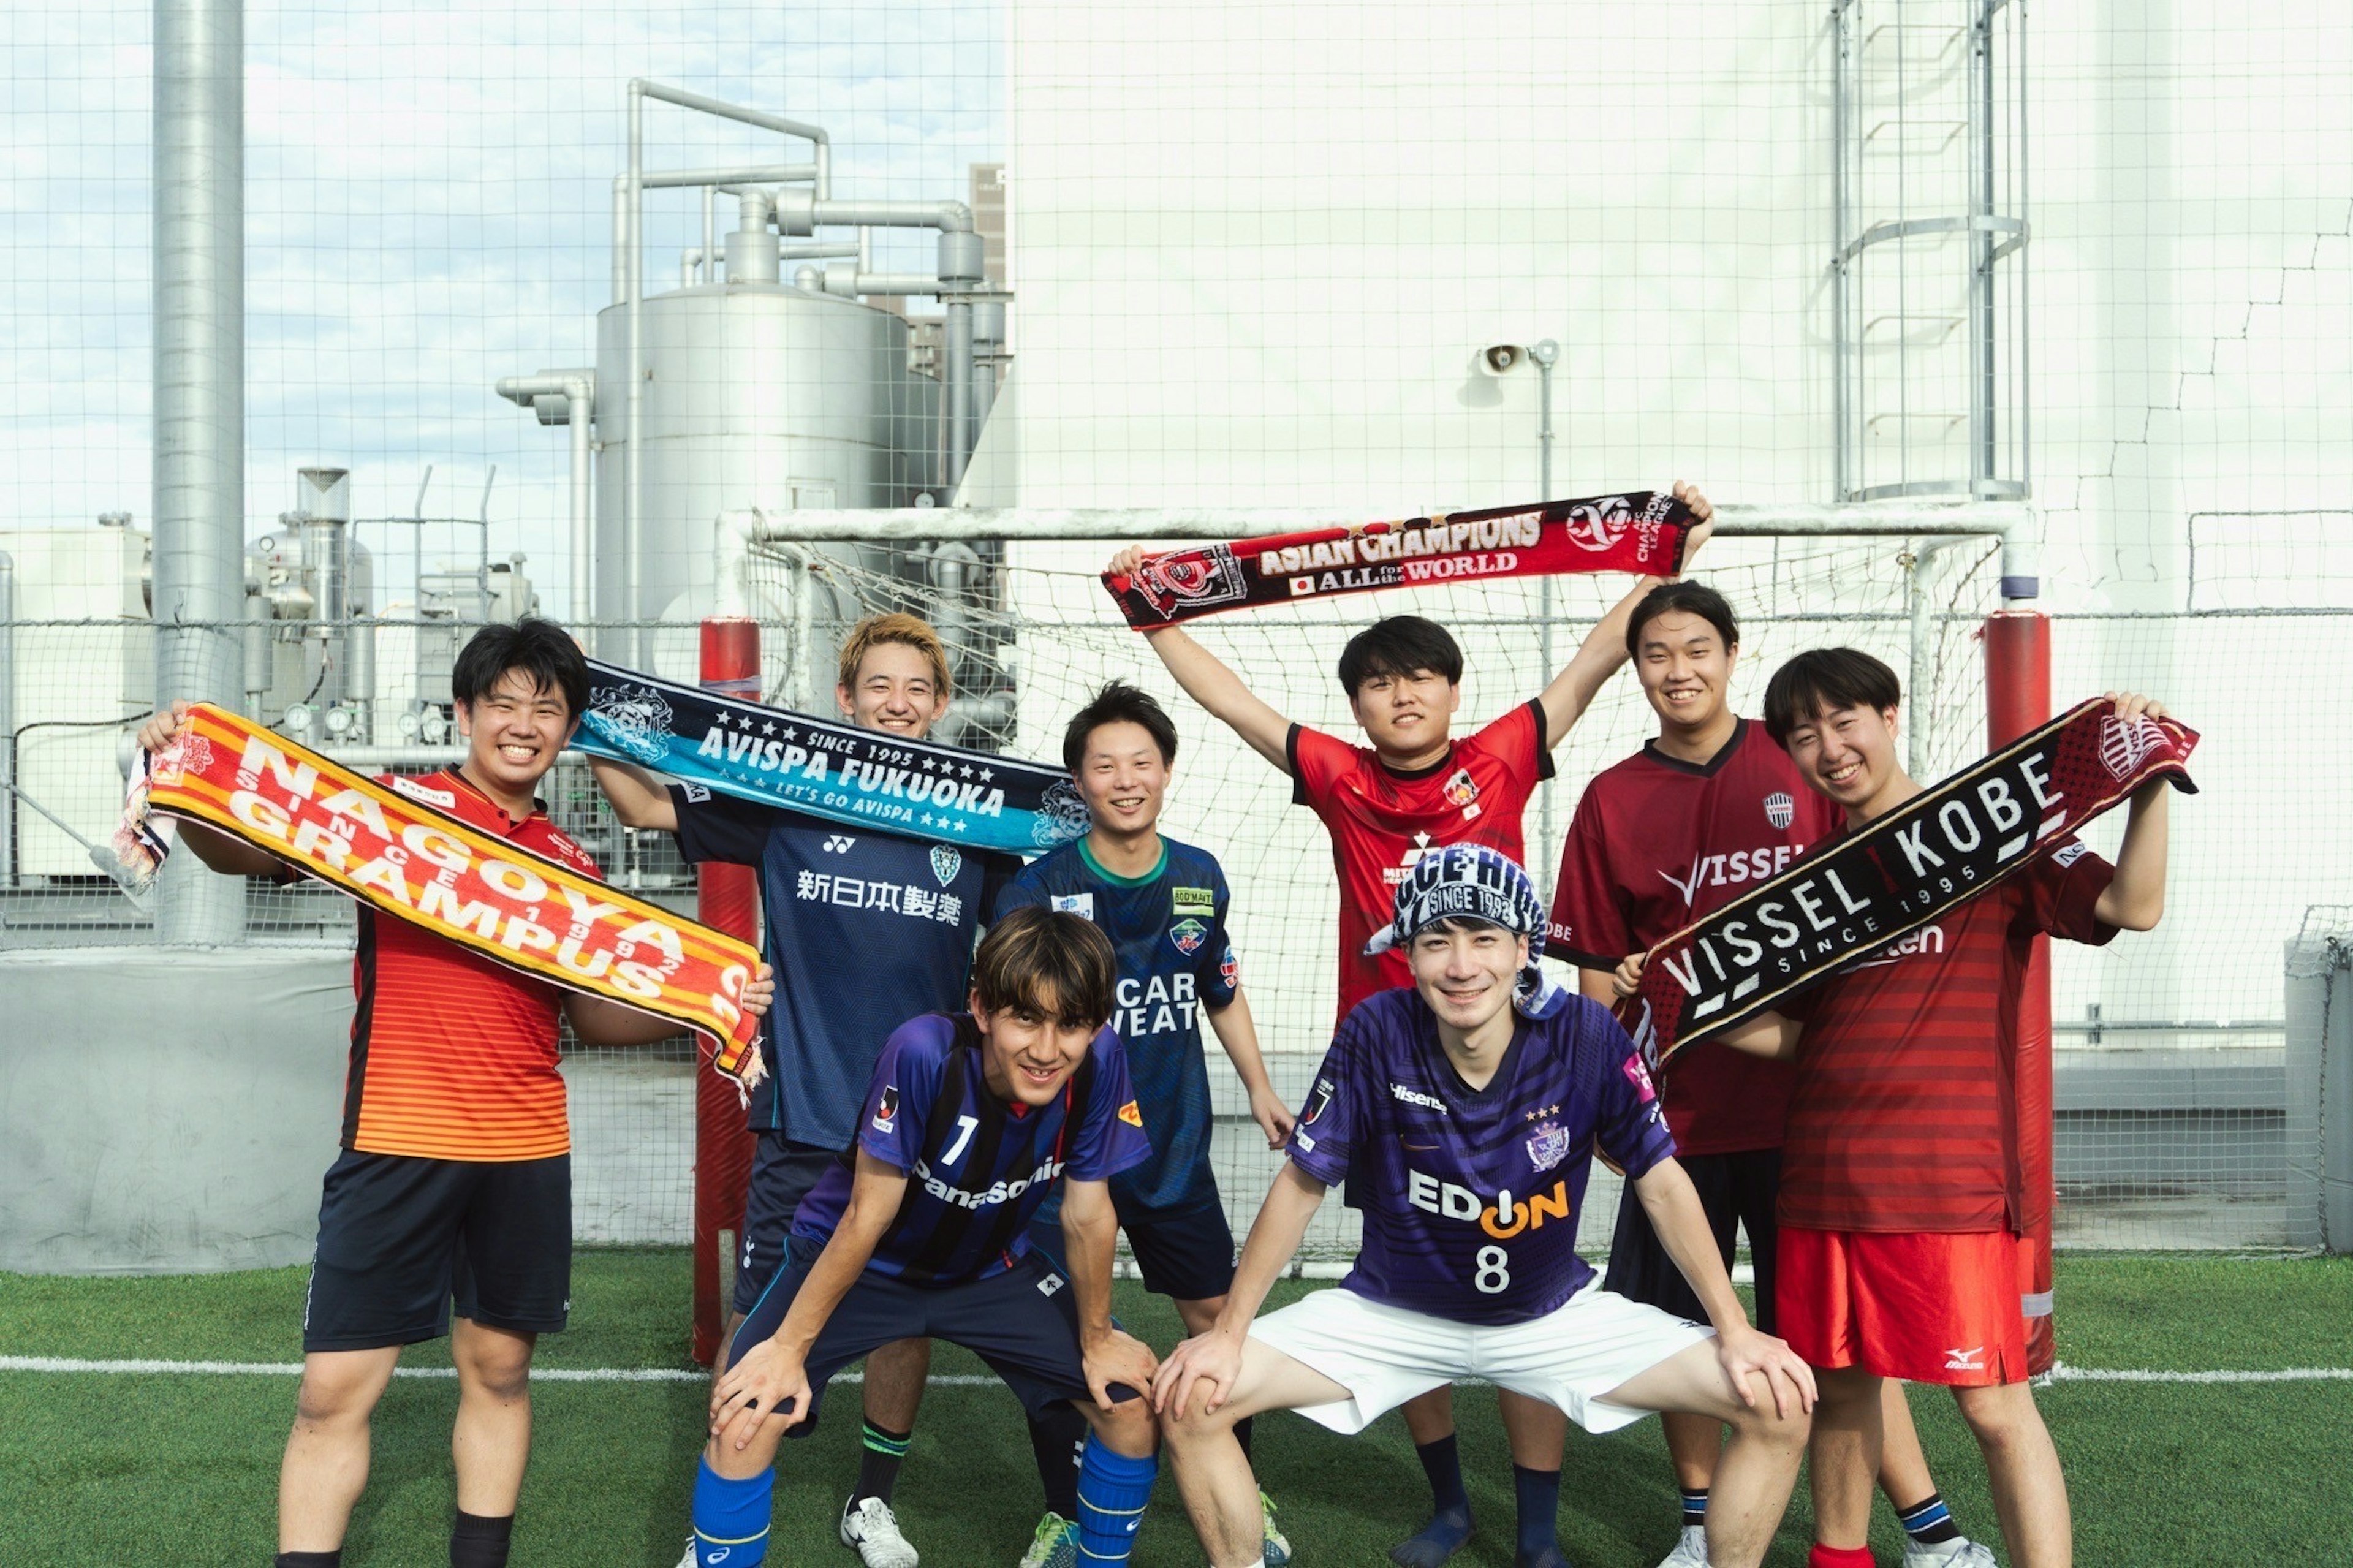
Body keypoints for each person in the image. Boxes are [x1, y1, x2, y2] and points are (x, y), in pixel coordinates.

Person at [1109, 482, 1713, 1566]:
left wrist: (1669, 551)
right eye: (1380, 681)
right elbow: (1234, 701)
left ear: (1450, 688)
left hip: (1518, 1063)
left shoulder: (1505, 754)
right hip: (1388, 1074)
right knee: (1408, 1276)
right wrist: (1155, 618)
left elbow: (1591, 657)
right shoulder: (1338, 777)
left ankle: (1534, 1527)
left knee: (1532, 1283)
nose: (1401, 695)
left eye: (1419, 676)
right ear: (1360, 704)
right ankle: (1449, 1503)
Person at [135, 618, 775, 1568]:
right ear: (466, 712)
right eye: (505, 702)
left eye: (547, 708)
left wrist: (708, 1003)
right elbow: (245, 854)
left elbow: (592, 1022)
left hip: (524, 1147)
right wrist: (188, 778)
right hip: (397, 1134)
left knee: (502, 1371)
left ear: (569, 732)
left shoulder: (570, 862)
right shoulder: (393, 812)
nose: (524, 723)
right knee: (334, 1390)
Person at [1615, 653, 2175, 1568]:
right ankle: (1842, 1558)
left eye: (1845, 722)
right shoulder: (1817, 882)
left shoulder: (1993, 835)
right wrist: (1682, 1002)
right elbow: (1804, 1039)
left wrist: (2150, 785)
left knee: (1994, 1404)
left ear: (1888, 713)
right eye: (1804, 736)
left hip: (1948, 1183)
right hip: (1823, 1182)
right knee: (1837, 1394)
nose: (1829, 749)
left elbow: (2132, 903)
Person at [1153, 845, 1814, 1568]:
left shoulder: (1588, 1035)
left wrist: (1735, 1329)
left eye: (1484, 938)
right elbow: (1303, 1183)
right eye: (1437, 942)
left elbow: (1659, 1180)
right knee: (1191, 1400)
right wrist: (1230, 1332)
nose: (1462, 966)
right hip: (1392, 1316)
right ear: (1408, 955)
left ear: (1524, 948)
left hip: (1550, 1317)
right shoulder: (1376, 1031)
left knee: (1776, 1403)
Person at [1550, 588, 1990, 1568]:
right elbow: (1594, 969)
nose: (1677, 668)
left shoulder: (1804, 757)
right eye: (1655, 653)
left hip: (1817, 1112)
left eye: (1696, 648)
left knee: (1842, 1343)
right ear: (1638, 669)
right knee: (1686, 1329)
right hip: (1680, 1119)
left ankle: (1927, 1526)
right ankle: (1703, 1521)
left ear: (1731, 653)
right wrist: (1605, 1104)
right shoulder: (1611, 798)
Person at [592, 612, 1020, 1568]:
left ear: (941, 705)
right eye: (879, 685)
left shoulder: (979, 828)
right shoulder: (793, 795)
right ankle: (724, 1525)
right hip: (805, 1116)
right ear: (846, 698)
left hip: (924, 1134)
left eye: (917, 688)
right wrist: (591, 726)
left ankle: (871, 1502)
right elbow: (642, 806)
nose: (898, 703)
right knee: (757, 1322)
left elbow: (1035, 948)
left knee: (903, 1321)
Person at [684, 907, 1163, 1568]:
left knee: (1129, 1404)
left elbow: (1088, 1212)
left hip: (989, 1273)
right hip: (864, 1264)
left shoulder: (1101, 1062)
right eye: (1027, 1018)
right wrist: (788, 1350)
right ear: (982, 1007)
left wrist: (1099, 1336)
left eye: (1072, 1025)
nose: (1049, 1050)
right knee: (746, 1414)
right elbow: (866, 1217)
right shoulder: (923, 1052)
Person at [998, 681, 1297, 1568]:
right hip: (1062, 1150)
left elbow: (1220, 987)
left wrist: (1260, 1085)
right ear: (1079, 782)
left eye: (1141, 763)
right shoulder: (1041, 886)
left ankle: (1243, 1485)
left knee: (1214, 1316)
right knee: (1061, 1334)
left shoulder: (1200, 874)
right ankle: (1065, 1508)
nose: (1125, 780)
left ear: (1166, 771)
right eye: (1104, 766)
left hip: (1171, 1144)